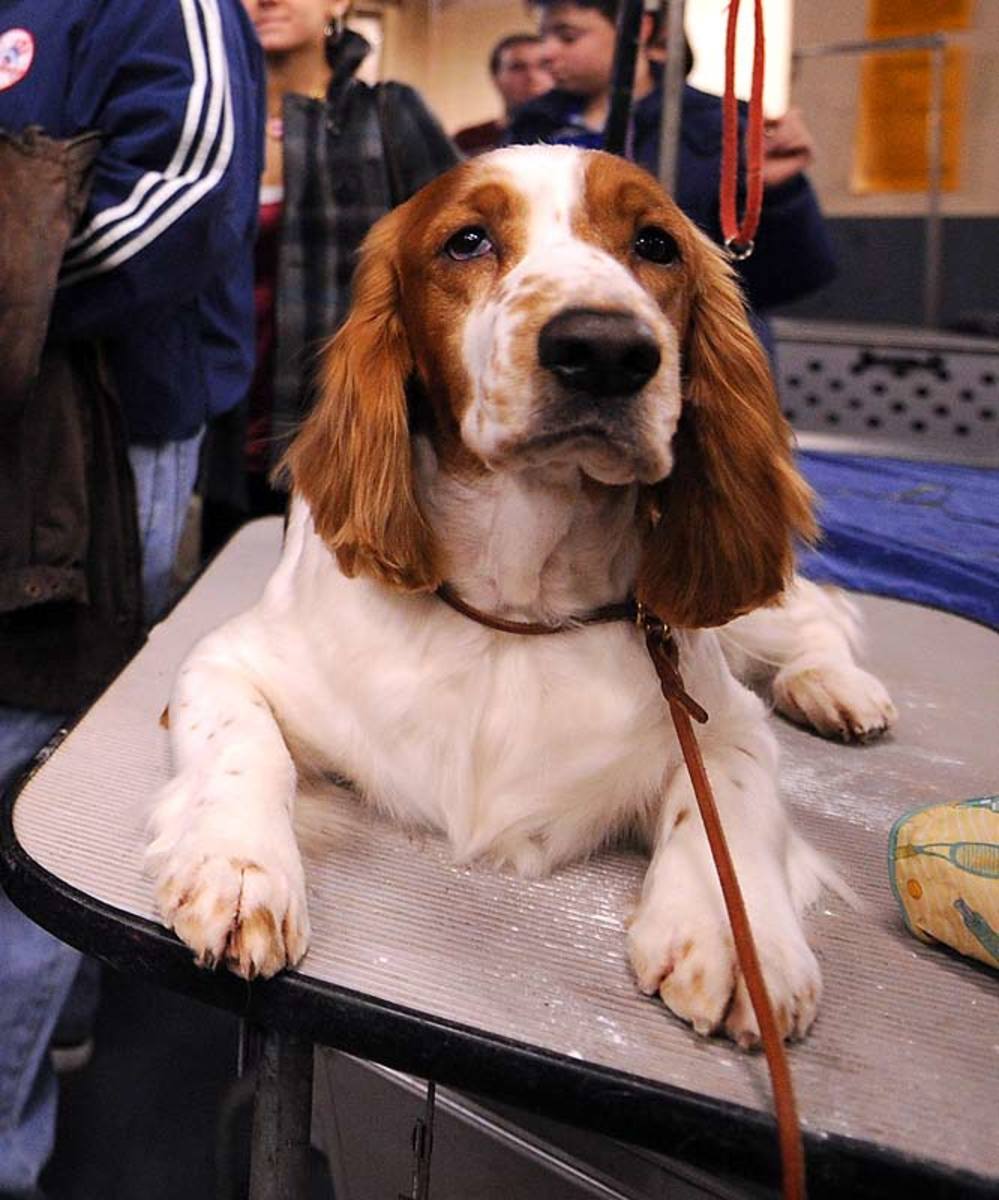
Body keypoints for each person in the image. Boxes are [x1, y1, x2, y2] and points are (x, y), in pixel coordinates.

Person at [0, 1, 264, 1194]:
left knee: (40, 773)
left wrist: (13, 295)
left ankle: (10, 1133)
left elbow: (187, 199)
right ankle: (52, 1011)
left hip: (104, 436)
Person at [201, 0, 461, 553]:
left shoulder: (386, 115)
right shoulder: (199, 117)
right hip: (210, 430)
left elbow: (462, 261)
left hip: (343, 429)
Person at [507, 0, 836, 326]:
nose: (546, 52)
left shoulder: (718, 126)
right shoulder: (532, 127)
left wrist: (779, 196)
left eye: (567, 36)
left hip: (691, 339)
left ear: (639, 28)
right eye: (543, 36)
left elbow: (789, 277)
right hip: (564, 328)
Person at [454, 33, 553, 157]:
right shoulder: (468, 141)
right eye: (518, 68)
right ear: (496, 78)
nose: (533, 77)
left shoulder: (573, 136)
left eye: (544, 66)